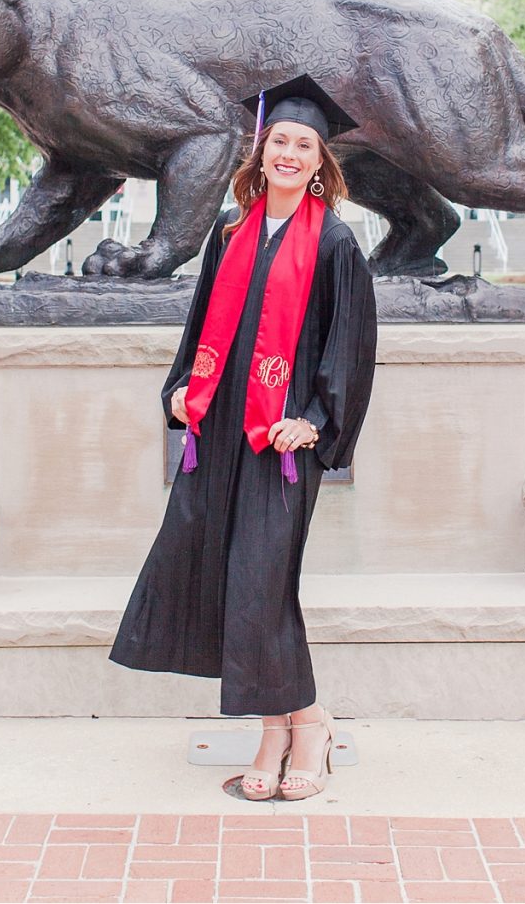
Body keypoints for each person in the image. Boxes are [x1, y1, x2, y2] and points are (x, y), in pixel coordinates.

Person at [109, 74, 379, 801]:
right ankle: (295, 723)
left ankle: (294, 729)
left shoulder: (336, 245)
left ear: (322, 163)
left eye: (304, 145)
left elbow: (350, 345)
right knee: (230, 577)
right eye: (279, 142)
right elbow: (200, 327)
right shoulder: (230, 233)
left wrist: (317, 420)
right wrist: (178, 389)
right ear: (259, 154)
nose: (289, 154)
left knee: (264, 580)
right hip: (221, 425)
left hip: (279, 439)